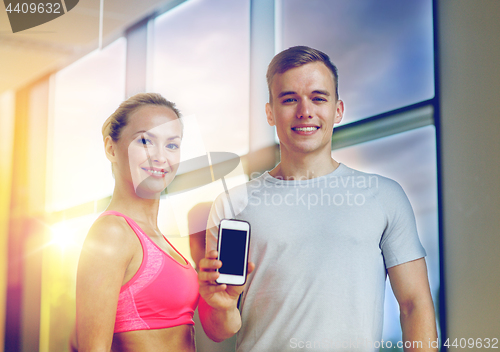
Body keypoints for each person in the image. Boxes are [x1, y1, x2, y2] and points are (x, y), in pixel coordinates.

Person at [198, 46, 438, 351]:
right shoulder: (232, 205)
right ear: (270, 112)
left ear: (338, 110)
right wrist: (221, 305)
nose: (305, 111)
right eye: (289, 100)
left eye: (318, 97)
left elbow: (414, 305)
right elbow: (219, 331)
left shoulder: (384, 196)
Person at [71, 93, 199, 352]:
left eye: (172, 145)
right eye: (145, 141)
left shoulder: (159, 239)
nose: (160, 157)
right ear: (111, 148)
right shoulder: (112, 234)